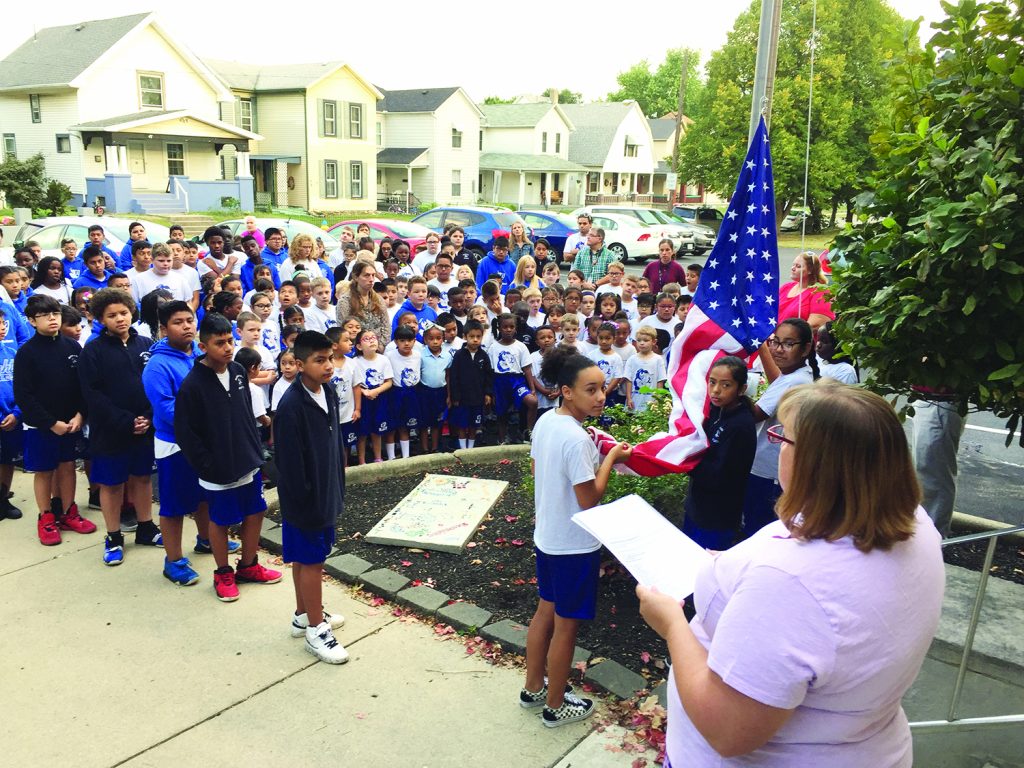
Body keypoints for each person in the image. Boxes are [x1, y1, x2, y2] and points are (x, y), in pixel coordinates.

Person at [637, 382, 945, 767]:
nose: (778, 445)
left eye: (784, 437)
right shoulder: (916, 525)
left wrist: (671, 626)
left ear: (818, 462)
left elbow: (728, 731)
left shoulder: (788, 580)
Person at [523, 346, 632, 727]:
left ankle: (533, 687)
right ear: (567, 391)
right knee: (566, 626)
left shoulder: (546, 422)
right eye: (591, 389)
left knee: (544, 612)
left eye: (602, 388)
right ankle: (555, 705)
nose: (601, 396)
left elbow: (538, 469)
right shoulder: (578, 440)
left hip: (548, 537)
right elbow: (590, 498)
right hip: (574, 545)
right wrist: (610, 458)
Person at [174, 312, 282, 601]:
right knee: (220, 521)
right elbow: (186, 433)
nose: (227, 348)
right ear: (203, 346)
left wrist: (254, 450)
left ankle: (248, 565)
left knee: (255, 511)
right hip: (217, 469)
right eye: (219, 343)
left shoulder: (236, 371)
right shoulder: (192, 385)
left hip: (247, 461)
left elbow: (246, 412)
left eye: (229, 341)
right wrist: (206, 465)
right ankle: (222, 572)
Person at [142, 301, 239, 586]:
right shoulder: (157, 366)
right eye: (177, 322)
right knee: (173, 506)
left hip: (203, 442)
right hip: (175, 445)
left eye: (189, 320)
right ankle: (173, 561)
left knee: (205, 495)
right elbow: (165, 410)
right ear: (163, 328)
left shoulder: (200, 354)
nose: (186, 326)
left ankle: (206, 539)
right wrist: (207, 418)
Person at [274, 331, 349, 663]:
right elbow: (289, 463)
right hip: (305, 500)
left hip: (326, 490)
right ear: (299, 364)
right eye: (320, 360)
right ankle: (317, 630)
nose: (328, 365)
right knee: (311, 560)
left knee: (308, 558)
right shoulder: (291, 406)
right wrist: (306, 502)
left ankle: (305, 613)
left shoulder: (328, 391)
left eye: (330, 358)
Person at [78, 288, 160, 565]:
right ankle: (113, 536)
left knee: (143, 478)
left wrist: (148, 417)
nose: (120, 319)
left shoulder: (146, 344)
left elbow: (156, 384)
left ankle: (146, 527)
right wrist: (124, 421)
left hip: (144, 426)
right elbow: (92, 393)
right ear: (100, 318)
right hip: (111, 429)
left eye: (124, 313)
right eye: (112, 315)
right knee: (112, 484)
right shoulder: (93, 350)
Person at [14, 295, 95, 545]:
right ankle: (46, 516)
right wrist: (50, 422)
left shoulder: (72, 347)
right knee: (44, 470)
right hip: (42, 425)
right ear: (31, 320)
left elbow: (83, 386)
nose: (52, 319)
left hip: (71, 421)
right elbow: (24, 395)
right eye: (45, 315)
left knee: (68, 466)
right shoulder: (27, 353)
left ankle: (69, 511)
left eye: (56, 314)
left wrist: (81, 414)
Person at [741, 318, 819, 538]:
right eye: (775, 342)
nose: (778, 349)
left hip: (768, 473)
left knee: (759, 532)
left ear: (805, 348)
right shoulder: (794, 376)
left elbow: (755, 415)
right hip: (770, 469)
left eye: (788, 344)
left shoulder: (794, 382)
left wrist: (733, 393)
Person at [682, 356, 757, 550]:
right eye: (712, 382)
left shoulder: (740, 425)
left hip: (717, 515)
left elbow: (721, 475)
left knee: (705, 567)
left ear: (741, 389)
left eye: (726, 385)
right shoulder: (714, 411)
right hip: (697, 507)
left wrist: (686, 462)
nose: (716, 390)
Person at [488, 313, 539, 444]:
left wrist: (532, 389)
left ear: (516, 328)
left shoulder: (521, 346)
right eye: (505, 327)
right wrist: (490, 391)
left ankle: (529, 432)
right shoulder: (493, 347)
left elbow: (527, 369)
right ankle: (502, 439)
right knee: (501, 412)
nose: (508, 329)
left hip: (517, 381)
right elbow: (490, 371)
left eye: (511, 327)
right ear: (499, 328)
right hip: (500, 381)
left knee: (532, 402)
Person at [447, 319, 492, 449]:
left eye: (478, 337)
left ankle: (471, 449)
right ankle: (463, 449)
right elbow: (454, 377)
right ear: (465, 337)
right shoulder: (459, 355)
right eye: (472, 337)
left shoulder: (484, 356)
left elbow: (488, 376)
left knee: (473, 425)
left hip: (478, 398)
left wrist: (488, 393)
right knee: (462, 424)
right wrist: (455, 397)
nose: (475, 340)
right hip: (462, 399)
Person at [352, 330, 393, 464]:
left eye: (374, 338)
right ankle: (362, 460)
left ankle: (378, 457)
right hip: (362, 400)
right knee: (362, 432)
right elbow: (355, 383)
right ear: (358, 346)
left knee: (377, 431)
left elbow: (389, 382)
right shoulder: (355, 361)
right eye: (366, 339)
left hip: (380, 399)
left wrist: (376, 391)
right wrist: (366, 392)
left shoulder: (384, 360)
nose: (371, 340)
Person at [385, 325, 421, 460]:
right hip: (395, 393)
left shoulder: (418, 355)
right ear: (395, 342)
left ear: (414, 341)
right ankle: (391, 457)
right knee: (392, 426)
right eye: (402, 340)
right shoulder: (389, 356)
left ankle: (406, 457)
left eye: (410, 340)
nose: (406, 344)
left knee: (405, 427)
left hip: (412, 394)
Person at [335, 260, 390, 348]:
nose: (371, 279)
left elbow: (386, 326)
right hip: (355, 349)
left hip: (378, 348)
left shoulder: (378, 300)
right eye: (367, 275)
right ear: (356, 277)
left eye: (373, 275)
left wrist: (380, 346)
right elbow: (343, 329)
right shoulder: (345, 301)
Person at [0, 312, 23, 520]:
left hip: (11, 417)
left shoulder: (11, 352)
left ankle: (3, 498)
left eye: (2, 323)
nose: (1, 328)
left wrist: (17, 413)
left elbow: (23, 387)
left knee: (8, 460)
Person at [778, 251, 833, 330]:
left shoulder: (821, 292)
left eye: (798, 266)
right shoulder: (785, 288)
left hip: (796, 340)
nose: (792, 268)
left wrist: (785, 336)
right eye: (793, 265)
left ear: (810, 270)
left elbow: (816, 323)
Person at [418, 325, 450, 454]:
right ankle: (425, 448)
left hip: (440, 392)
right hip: (424, 392)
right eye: (431, 338)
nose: (435, 342)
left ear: (443, 339)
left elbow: (448, 376)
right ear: (425, 339)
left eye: (438, 338)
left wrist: (449, 395)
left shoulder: (447, 356)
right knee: (424, 422)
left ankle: (435, 447)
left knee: (437, 421)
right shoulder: (420, 355)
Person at [624, 327, 667, 413]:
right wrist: (628, 398)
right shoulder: (632, 359)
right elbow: (628, 380)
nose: (642, 343)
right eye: (639, 340)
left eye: (646, 340)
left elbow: (660, 381)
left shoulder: (658, 359)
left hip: (650, 399)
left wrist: (657, 399)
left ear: (654, 342)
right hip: (634, 398)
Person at [390, 275, 437, 341]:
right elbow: (395, 338)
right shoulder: (401, 313)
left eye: (424, 291)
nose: (421, 294)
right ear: (409, 294)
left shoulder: (432, 312)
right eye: (416, 292)